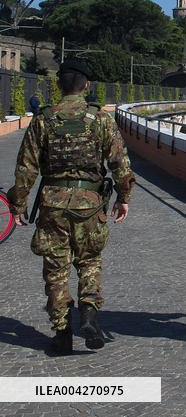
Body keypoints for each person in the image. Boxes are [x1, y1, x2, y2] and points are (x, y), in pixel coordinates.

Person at [9, 59, 134, 356]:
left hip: (52, 204)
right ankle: (89, 315)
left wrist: (18, 203)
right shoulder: (100, 119)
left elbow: (26, 167)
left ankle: (62, 333)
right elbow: (120, 162)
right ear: (87, 85)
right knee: (89, 262)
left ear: (59, 85)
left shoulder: (43, 120)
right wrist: (124, 197)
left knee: (56, 271)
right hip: (90, 204)